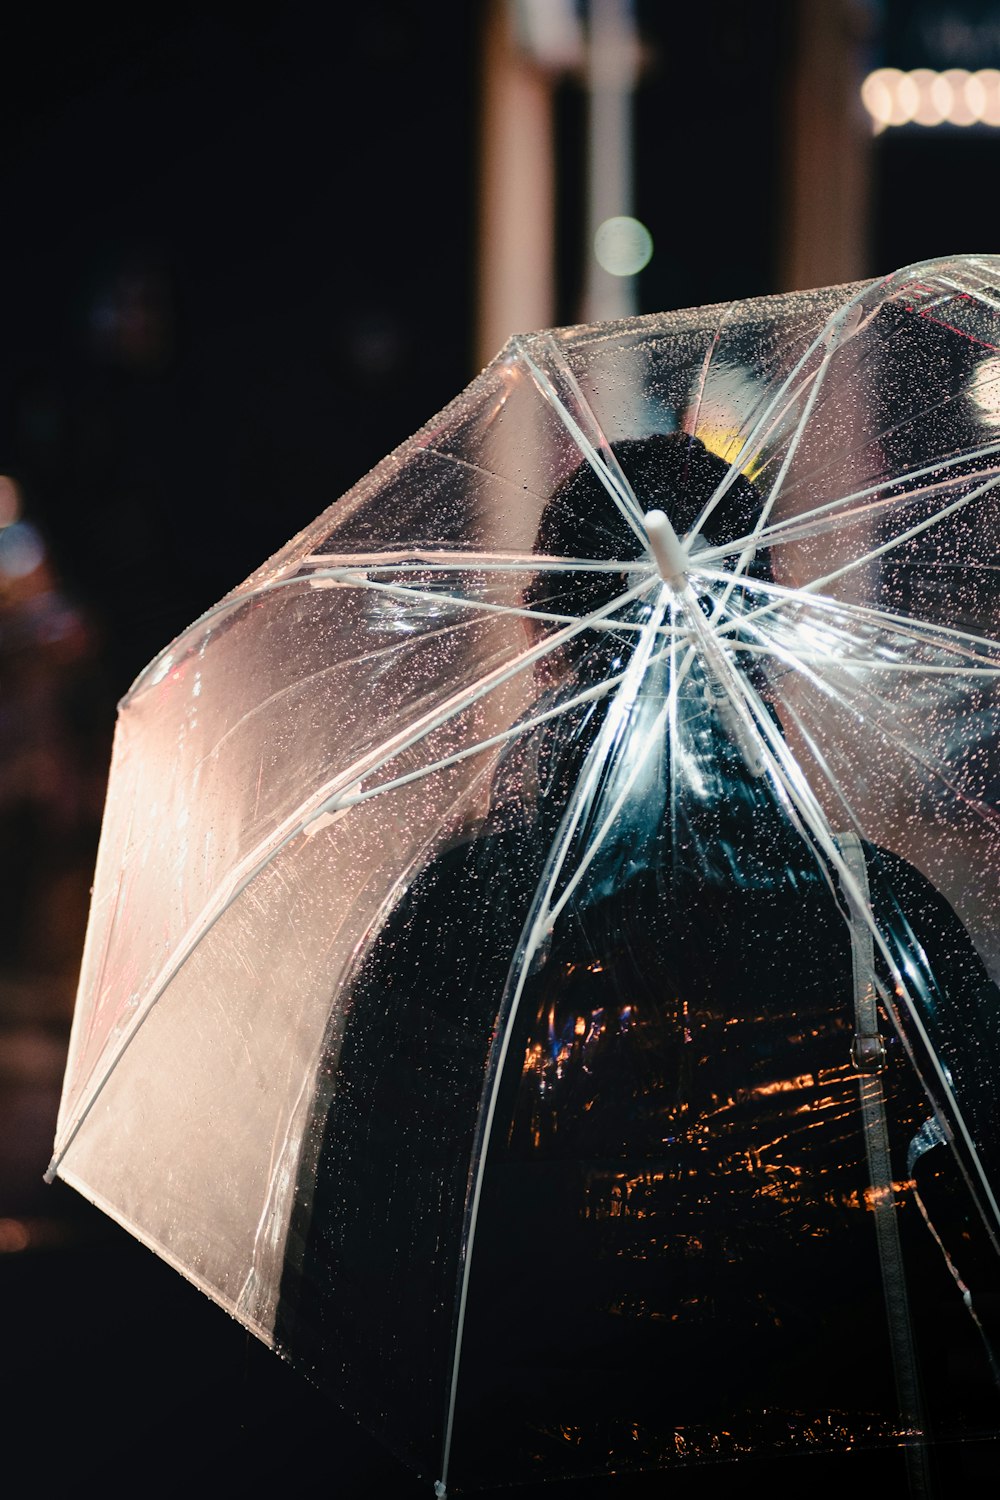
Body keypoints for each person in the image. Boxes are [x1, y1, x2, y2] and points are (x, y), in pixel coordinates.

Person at [275, 431, 1000, 1496]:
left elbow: (347, 1295)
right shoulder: (876, 924)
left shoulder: (452, 925)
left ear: (539, 631)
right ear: (765, 629)